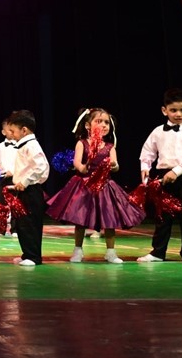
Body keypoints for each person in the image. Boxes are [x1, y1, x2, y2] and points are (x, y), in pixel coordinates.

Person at [46, 108, 144, 264]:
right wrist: (84, 167)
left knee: (110, 220)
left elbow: (116, 165)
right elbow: (77, 163)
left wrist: (113, 165)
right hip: (84, 185)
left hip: (104, 186)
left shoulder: (109, 146)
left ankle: (110, 252)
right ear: (87, 125)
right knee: (80, 220)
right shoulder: (82, 143)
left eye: (107, 122)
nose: (104, 125)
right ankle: (78, 250)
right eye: (99, 121)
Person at [137, 88, 182, 264]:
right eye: (173, 110)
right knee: (162, 217)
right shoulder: (158, 132)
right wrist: (145, 167)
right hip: (163, 177)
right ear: (164, 110)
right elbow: (147, 152)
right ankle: (158, 252)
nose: (178, 114)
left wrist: (176, 171)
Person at [6, 109, 50, 266]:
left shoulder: (31, 146)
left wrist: (24, 182)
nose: (11, 135)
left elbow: (41, 167)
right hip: (24, 191)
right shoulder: (24, 145)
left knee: (30, 225)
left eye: (13, 131)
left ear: (24, 130)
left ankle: (33, 257)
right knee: (22, 225)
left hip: (31, 191)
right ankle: (27, 254)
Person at [0, 119, 17, 236]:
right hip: (3, 178)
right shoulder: (0, 146)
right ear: (3, 132)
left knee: (15, 205)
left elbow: (21, 162)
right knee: (1, 205)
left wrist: (13, 172)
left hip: (16, 179)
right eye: (9, 130)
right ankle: (0, 229)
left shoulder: (19, 145)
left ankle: (15, 230)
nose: (11, 132)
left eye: (13, 129)